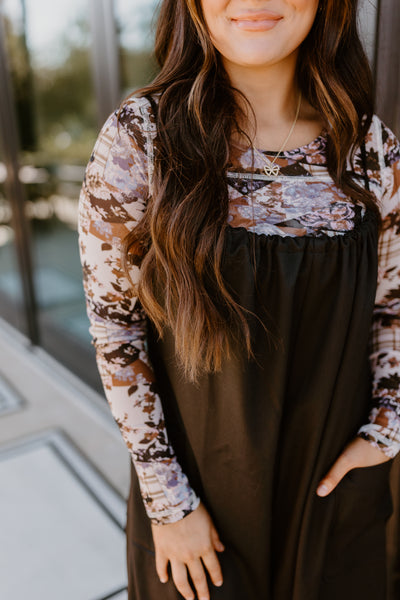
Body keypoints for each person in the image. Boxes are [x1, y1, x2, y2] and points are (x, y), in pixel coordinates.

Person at [78, 1, 400, 598]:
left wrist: (386, 432)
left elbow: (393, 308)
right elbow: (116, 329)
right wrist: (168, 502)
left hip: (332, 497)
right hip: (202, 511)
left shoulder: (370, 147)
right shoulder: (141, 137)